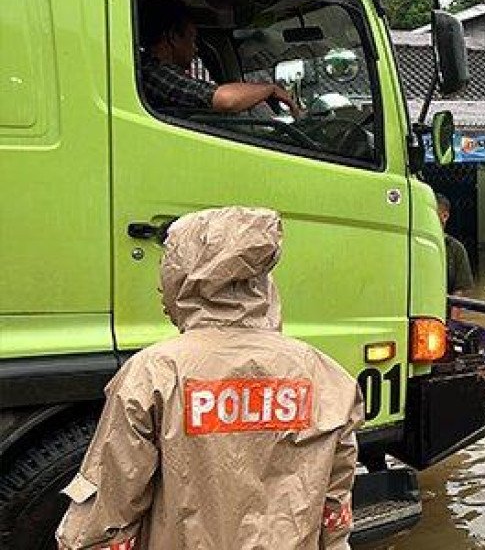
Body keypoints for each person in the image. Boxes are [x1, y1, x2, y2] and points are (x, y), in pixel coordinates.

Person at [55, 207, 363, 550]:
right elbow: (335, 508)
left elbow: (108, 511)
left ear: (183, 279)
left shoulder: (153, 373)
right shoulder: (326, 375)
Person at [138, 0, 300, 116]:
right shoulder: (154, 72)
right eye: (192, 40)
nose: (195, 50)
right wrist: (270, 89)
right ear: (173, 37)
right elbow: (224, 100)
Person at [436, 193, 475, 320]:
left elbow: (459, 292)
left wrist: (452, 325)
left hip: (442, 317)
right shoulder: (410, 245)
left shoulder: (455, 249)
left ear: (445, 216)